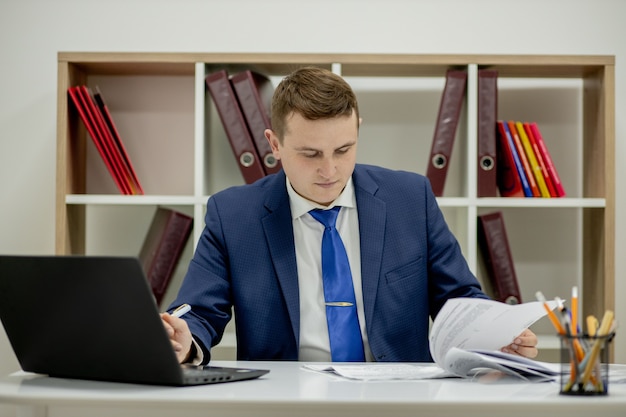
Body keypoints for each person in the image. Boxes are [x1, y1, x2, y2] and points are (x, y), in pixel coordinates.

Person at [161, 66, 537, 364]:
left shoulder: (411, 199)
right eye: (310, 154)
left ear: (357, 130)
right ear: (274, 144)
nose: (330, 170)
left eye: (343, 149)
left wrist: (493, 337)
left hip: (397, 402)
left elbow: (458, 298)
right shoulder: (233, 215)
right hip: (285, 402)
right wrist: (182, 339)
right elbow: (198, 312)